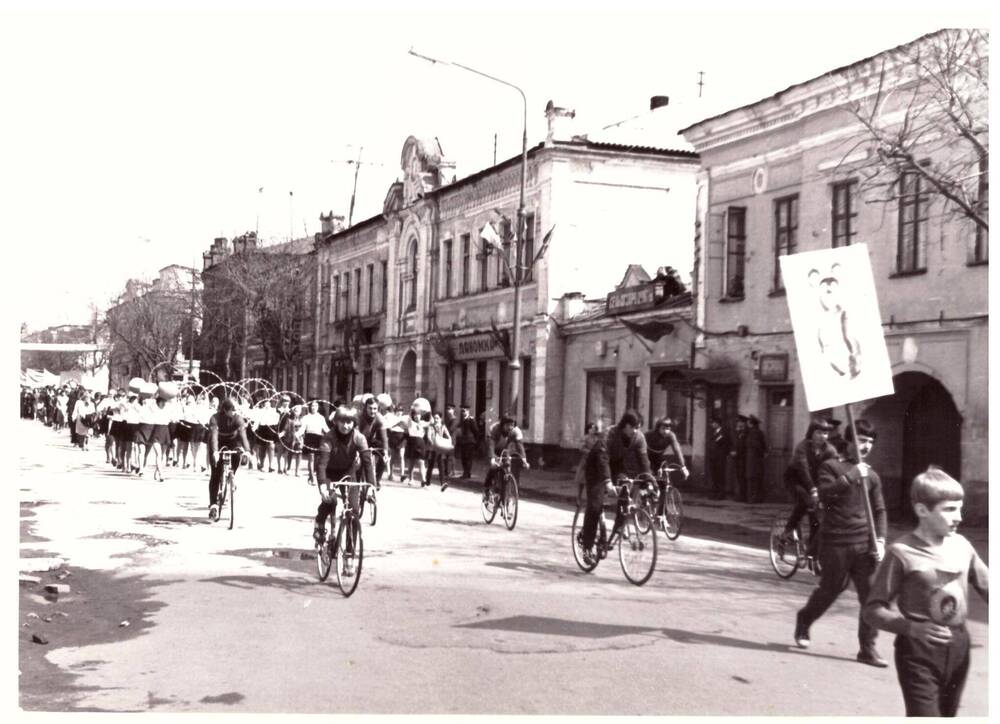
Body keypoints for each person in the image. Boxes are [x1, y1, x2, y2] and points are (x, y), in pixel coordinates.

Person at [863, 466, 989, 717]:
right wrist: (910, 627)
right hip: (918, 649)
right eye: (949, 509)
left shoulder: (962, 545)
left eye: (959, 508)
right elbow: (872, 610)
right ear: (922, 510)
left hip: (959, 646)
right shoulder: (901, 552)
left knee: (947, 715)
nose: (959, 517)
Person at [794, 419, 888, 667]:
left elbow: (879, 510)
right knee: (831, 589)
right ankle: (804, 620)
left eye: (870, 442)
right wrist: (849, 477)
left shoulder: (873, 476)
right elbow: (823, 494)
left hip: (864, 545)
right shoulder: (831, 466)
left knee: (870, 596)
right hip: (835, 542)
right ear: (848, 441)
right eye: (861, 440)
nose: (866, 446)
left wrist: (880, 539)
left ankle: (867, 649)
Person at [312, 406, 376, 556]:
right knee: (330, 500)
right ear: (336, 422)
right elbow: (322, 464)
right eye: (342, 422)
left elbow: (367, 463)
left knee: (353, 510)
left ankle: (349, 551)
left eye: (350, 422)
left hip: (348, 472)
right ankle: (319, 522)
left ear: (354, 423)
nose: (346, 426)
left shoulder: (359, 438)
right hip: (328, 472)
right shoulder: (329, 438)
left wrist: (372, 486)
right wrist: (322, 485)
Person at [782, 418, 838, 545]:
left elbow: (832, 469)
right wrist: (813, 490)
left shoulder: (830, 450)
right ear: (811, 432)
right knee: (806, 501)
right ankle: (788, 530)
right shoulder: (802, 447)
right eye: (819, 432)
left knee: (816, 514)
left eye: (825, 433)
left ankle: (811, 549)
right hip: (795, 478)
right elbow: (803, 469)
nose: (822, 436)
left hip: (815, 481)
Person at [206, 397, 251, 521]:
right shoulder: (215, 418)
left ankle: (232, 476)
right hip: (218, 442)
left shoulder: (238, 418)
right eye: (232, 409)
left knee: (238, 454)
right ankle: (213, 504)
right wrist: (215, 452)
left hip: (233, 441)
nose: (235, 412)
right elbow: (214, 436)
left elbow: (243, 435)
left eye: (236, 409)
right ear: (225, 410)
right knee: (215, 474)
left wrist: (247, 451)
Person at [577, 425, 614, 566]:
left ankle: (610, 537)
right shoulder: (602, 444)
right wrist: (608, 481)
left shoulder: (625, 442)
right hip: (595, 475)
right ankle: (587, 548)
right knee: (594, 508)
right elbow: (603, 463)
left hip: (609, 473)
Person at [645, 417, 688, 520]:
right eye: (663, 428)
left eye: (668, 428)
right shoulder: (649, 435)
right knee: (649, 479)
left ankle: (661, 514)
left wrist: (683, 467)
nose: (666, 431)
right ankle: (647, 496)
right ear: (658, 428)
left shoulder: (670, 436)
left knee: (664, 484)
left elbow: (677, 450)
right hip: (646, 457)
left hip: (659, 459)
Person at [483, 414, 530, 502]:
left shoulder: (516, 431)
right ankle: (487, 488)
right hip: (493, 450)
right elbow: (491, 445)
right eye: (507, 425)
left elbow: (520, 447)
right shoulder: (494, 429)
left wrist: (524, 461)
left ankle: (505, 496)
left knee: (507, 469)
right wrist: (492, 458)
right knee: (494, 467)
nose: (510, 427)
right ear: (502, 425)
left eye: (512, 425)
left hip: (504, 450)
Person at [606, 410, 651, 483]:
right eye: (634, 427)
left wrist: (649, 480)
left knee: (625, 485)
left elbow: (644, 461)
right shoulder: (610, 433)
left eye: (638, 428)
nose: (635, 431)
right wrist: (607, 480)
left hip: (618, 466)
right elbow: (603, 458)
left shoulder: (639, 437)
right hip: (599, 467)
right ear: (626, 424)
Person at [357, 394, 388, 488]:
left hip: (371, 440)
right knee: (359, 462)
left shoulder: (380, 418)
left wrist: (385, 452)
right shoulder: (359, 417)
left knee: (385, 454)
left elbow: (384, 437)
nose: (372, 411)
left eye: (375, 408)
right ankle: (357, 482)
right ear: (365, 408)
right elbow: (356, 435)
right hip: (358, 440)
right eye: (370, 408)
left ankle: (377, 480)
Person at [300, 401, 329, 484]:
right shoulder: (306, 417)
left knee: (317, 459)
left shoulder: (321, 418)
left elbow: (325, 429)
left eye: (316, 406)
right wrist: (297, 434)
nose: (314, 407)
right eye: (312, 406)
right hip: (309, 438)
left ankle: (311, 474)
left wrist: (332, 434)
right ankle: (312, 477)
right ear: (310, 407)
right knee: (311, 458)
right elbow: (302, 429)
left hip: (318, 438)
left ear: (318, 407)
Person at [425, 410, 453, 491]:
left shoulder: (443, 426)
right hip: (433, 448)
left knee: (441, 465)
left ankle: (442, 483)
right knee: (431, 465)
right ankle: (427, 482)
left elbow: (448, 435)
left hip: (440, 448)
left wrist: (449, 441)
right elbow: (428, 436)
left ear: (440, 419)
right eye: (435, 418)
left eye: (437, 418)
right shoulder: (431, 426)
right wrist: (432, 442)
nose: (436, 419)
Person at [574, 422, 600, 503]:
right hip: (585, 461)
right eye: (591, 428)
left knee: (592, 481)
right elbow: (581, 448)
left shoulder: (597, 439)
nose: (593, 430)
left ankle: (590, 498)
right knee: (581, 480)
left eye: (594, 428)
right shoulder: (585, 438)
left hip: (594, 462)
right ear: (588, 429)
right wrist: (590, 452)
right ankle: (578, 497)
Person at [744, 415, 768, 503]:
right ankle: (754, 498)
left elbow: (757, 445)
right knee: (754, 479)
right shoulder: (756, 432)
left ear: (751, 424)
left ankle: (752, 498)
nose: (747, 423)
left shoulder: (754, 433)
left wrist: (761, 453)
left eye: (748, 422)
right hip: (754, 460)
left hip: (753, 460)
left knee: (752, 479)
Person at [403, 404, 429, 485]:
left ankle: (423, 480)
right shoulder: (410, 423)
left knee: (421, 462)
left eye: (419, 415)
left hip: (421, 444)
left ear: (421, 416)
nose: (417, 416)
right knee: (412, 463)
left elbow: (431, 422)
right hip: (412, 443)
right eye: (415, 415)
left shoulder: (423, 423)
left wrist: (428, 411)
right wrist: (412, 409)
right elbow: (408, 417)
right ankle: (411, 479)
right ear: (413, 416)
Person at [706, 417, 731, 499]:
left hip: (720, 458)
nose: (712, 424)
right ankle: (714, 493)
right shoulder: (712, 432)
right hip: (713, 457)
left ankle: (721, 494)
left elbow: (725, 443)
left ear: (717, 423)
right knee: (714, 475)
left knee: (720, 475)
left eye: (713, 423)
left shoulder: (723, 432)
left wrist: (725, 454)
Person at [454, 405, 480, 480]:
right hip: (463, 442)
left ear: (468, 411)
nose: (463, 413)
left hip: (470, 442)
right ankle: (467, 473)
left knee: (468, 458)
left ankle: (466, 473)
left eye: (464, 411)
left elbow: (476, 431)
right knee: (464, 458)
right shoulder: (462, 420)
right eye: (462, 411)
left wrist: (474, 441)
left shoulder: (471, 420)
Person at [279, 404, 305, 476]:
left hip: (299, 439)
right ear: (293, 411)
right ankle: (286, 468)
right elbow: (285, 429)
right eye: (295, 410)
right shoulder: (289, 420)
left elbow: (304, 428)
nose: (296, 412)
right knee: (288, 453)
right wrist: (281, 434)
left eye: (298, 411)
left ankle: (297, 471)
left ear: (300, 412)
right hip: (290, 438)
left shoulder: (302, 419)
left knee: (299, 453)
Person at [731, 415, 748, 501]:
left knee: (742, 478)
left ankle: (742, 496)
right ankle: (740, 495)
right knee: (739, 477)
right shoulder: (738, 434)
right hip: (738, 459)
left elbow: (744, 446)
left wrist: (737, 452)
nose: (738, 425)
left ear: (743, 424)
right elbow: (735, 444)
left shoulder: (745, 434)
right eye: (738, 424)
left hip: (743, 459)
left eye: (740, 424)